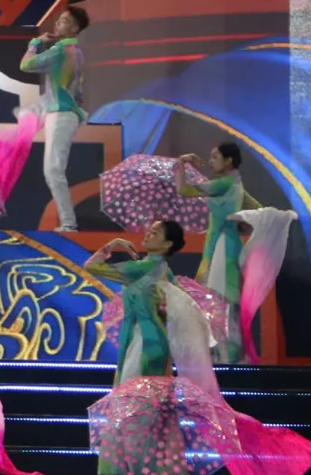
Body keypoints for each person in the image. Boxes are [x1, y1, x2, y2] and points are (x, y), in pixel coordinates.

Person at [175, 143, 260, 362]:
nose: (210, 160)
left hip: (223, 249)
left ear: (228, 160)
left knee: (220, 303)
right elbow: (258, 209)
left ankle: (226, 359)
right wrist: (238, 221)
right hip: (227, 245)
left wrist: (181, 163)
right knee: (225, 304)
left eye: (215, 156)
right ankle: (229, 357)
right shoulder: (236, 183)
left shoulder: (223, 183)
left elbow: (183, 189)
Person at [80, 221, 183, 385]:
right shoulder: (164, 268)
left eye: (155, 233)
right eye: (150, 230)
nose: (148, 234)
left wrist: (114, 243)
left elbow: (91, 266)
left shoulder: (142, 268)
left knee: (135, 395)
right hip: (156, 339)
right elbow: (181, 300)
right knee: (150, 396)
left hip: (142, 342)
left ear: (167, 244)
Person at [21, 6, 90, 231]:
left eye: (64, 21)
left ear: (75, 28)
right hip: (62, 113)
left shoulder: (61, 50)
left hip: (61, 114)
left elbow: (26, 64)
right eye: (59, 20)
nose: (58, 24)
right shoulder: (74, 51)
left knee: (53, 170)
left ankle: (69, 223)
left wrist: (35, 43)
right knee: (53, 170)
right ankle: (68, 222)